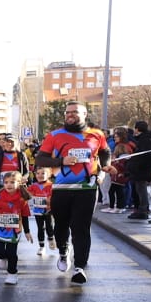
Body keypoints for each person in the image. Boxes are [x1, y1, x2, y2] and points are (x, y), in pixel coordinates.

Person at [35, 102, 110, 285]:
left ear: (85, 114)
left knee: (81, 227)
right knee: (61, 226)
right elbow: (40, 158)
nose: (70, 115)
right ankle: (63, 251)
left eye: (75, 112)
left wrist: (101, 172)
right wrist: (62, 160)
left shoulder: (97, 134)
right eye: (67, 112)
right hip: (61, 189)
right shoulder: (54, 135)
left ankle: (80, 267)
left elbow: (105, 152)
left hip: (87, 188)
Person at [0, 171, 33, 285]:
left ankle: (12, 274)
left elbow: (25, 216)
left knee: (12, 253)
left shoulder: (22, 199)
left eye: (12, 182)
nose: (9, 185)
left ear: (19, 183)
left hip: (14, 230)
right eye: (6, 182)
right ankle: (3, 257)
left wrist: (27, 232)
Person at [125, 120, 151, 219]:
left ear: (137, 129)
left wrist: (134, 165)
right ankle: (142, 208)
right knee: (139, 189)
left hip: (142, 169)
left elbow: (143, 155)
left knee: (141, 189)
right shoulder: (147, 138)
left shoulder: (146, 139)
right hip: (142, 169)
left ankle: (143, 209)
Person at [27, 167, 55, 255]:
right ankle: (41, 247)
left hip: (48, 210)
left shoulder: (51, 185)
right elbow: (27, 194)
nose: (40, 175)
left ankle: (51, 238)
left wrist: (49, 200)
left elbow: (53, 196)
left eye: (43, 173)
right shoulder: (34, 185)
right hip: (37, 210)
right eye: (38, 173)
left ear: (49, 175)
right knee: (40, 228)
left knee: (49, 226)